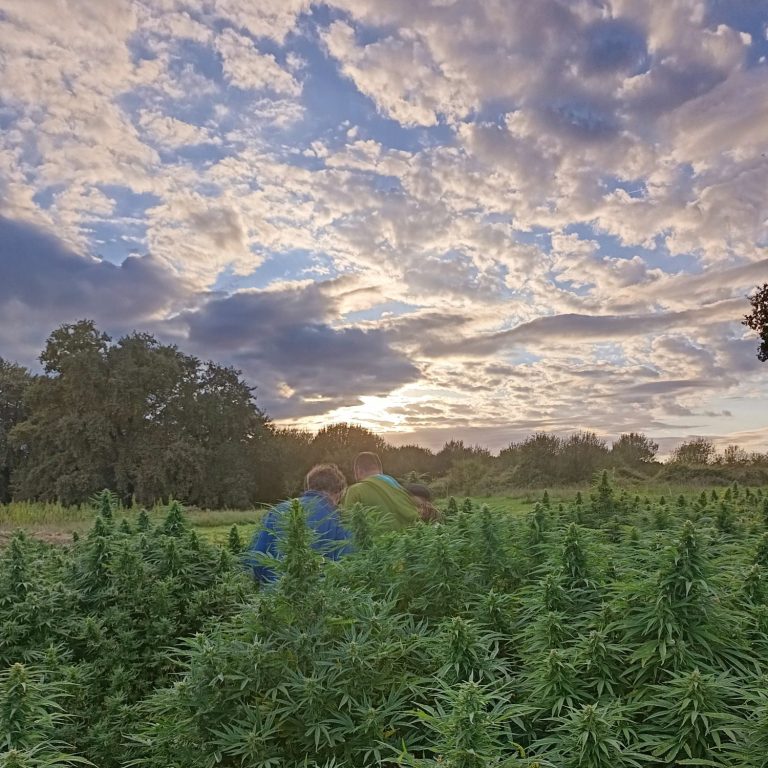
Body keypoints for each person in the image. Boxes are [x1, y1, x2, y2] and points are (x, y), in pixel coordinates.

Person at [245, 463, 351, 583]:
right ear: (338, 492)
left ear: (309, 487)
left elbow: (255, 559)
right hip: (318, 592)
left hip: (274, 590)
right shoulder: (338, 520)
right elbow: (346, 567)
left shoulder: (276, 511)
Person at [343, 452, 419, 531]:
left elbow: (347, 526)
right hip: (409, 537)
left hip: (377, 539)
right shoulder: (398, 487)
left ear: (358, 471)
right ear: (380, 470)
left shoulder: (355, 490)